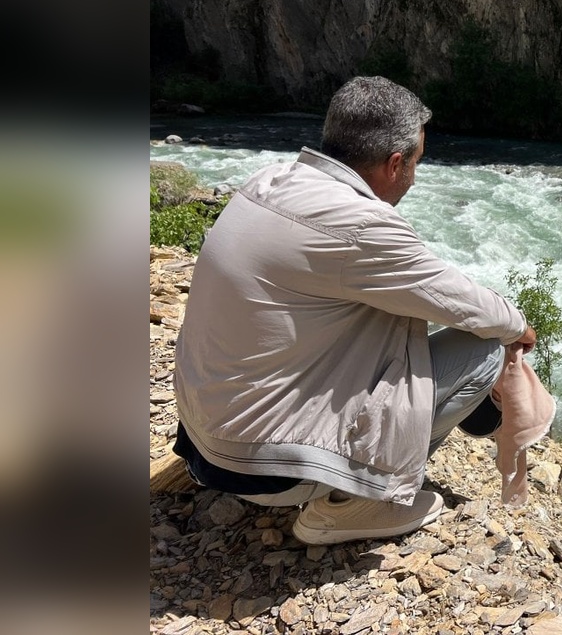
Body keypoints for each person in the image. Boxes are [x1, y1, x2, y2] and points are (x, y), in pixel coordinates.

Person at [171, 76, 537, 545]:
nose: (414, 178)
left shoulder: (267, 180)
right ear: (394, 164)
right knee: (484, 347)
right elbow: (467, 305)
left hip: (204, 440)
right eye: (416, 164)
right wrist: (520, 326)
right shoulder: (361, 224)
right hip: (262, 471)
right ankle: (354, 505)